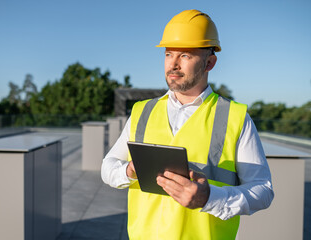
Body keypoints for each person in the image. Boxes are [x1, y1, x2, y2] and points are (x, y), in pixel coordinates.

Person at [101, 9, 274, 240]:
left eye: (185, 55)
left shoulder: (235, 117)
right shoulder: (143, 111)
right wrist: (129, 171)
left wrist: (209, 198)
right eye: (169, 54)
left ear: (209, 62)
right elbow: (107, 167)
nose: (173, 64)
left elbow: (262, 191)